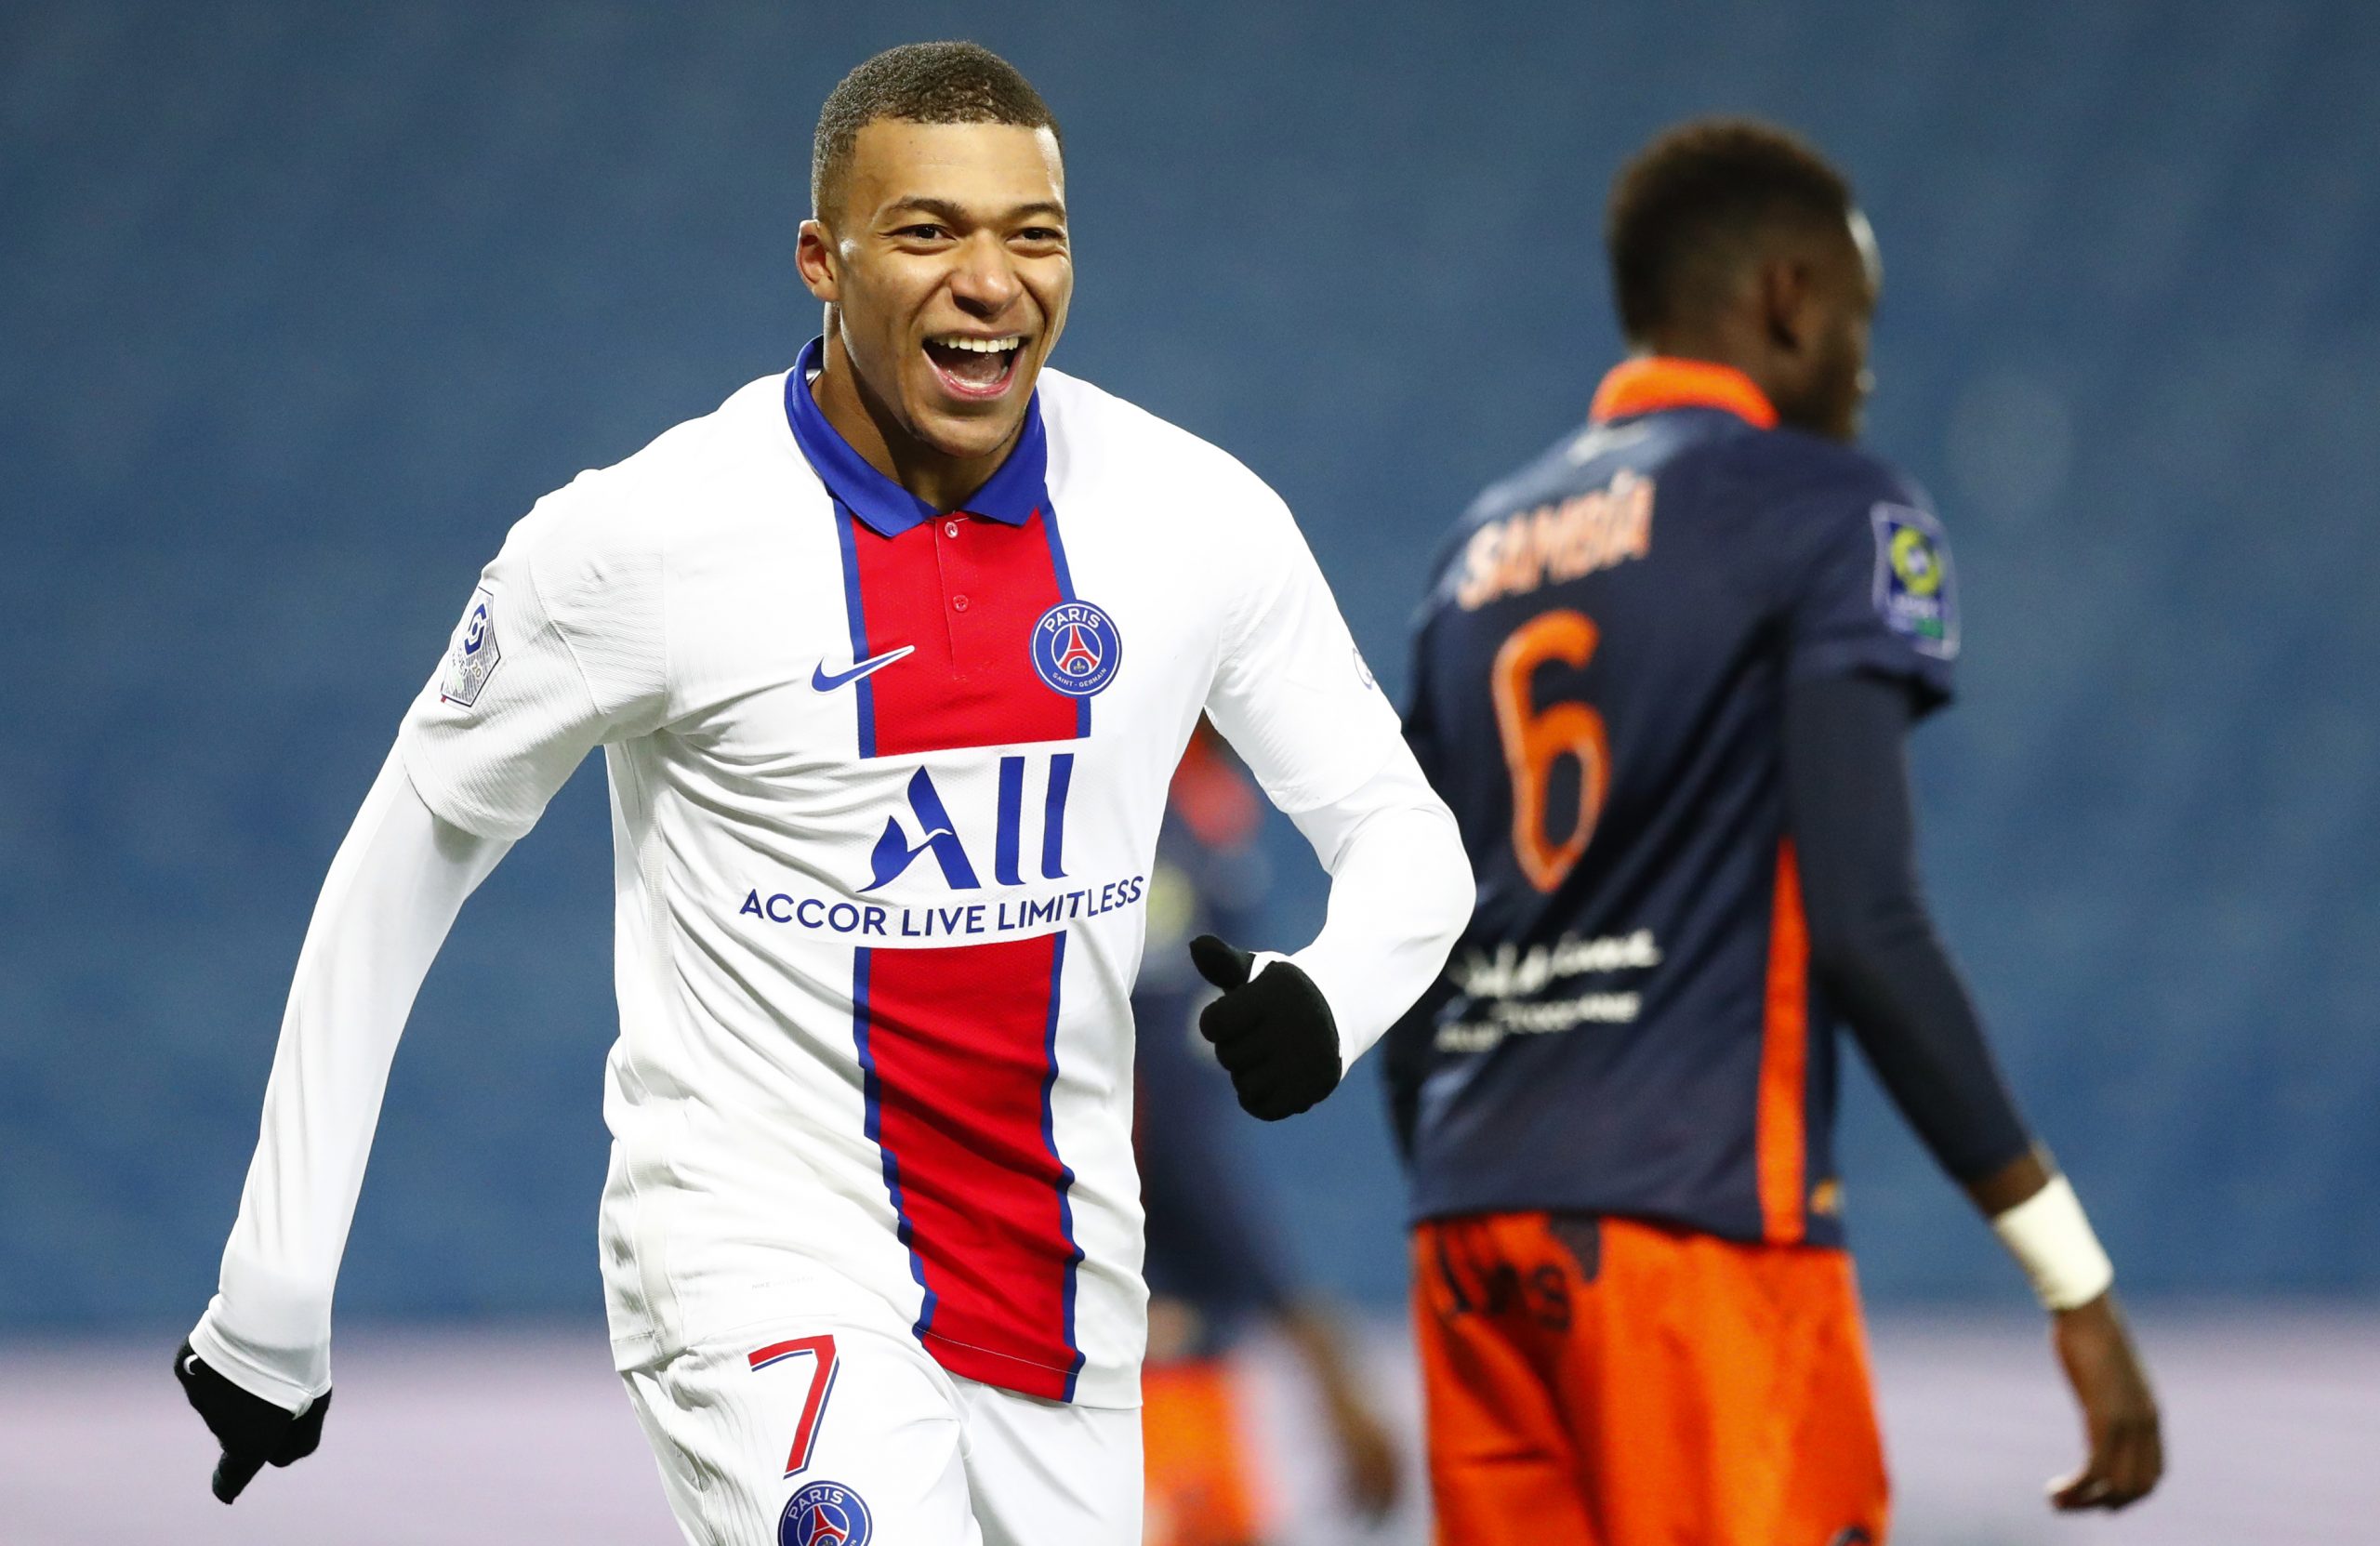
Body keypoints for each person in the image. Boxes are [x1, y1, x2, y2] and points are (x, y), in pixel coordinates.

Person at [172, 41, 1471, 1546]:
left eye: (1030, 235)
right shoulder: (644, 544)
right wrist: (273, 1291)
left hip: (1061, 1293)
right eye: (927, 231)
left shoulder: (1194, 519)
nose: (989, 279)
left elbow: (1405, 839)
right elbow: (411, 850)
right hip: (757, 1251)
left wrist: (1332, 991)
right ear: (820, 259)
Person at [1385, 118, 2162, 1545]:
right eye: (1860, 317)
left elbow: (1406, 921)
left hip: (1476, 1233)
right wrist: (2074, 1276)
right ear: (1794, 295)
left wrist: (1460, 1168)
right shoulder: (1828, 506)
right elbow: (1868, 920)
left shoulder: (1473, 549)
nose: (1865, 363)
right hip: (1699, 1233)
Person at [1133, 723, 1401, 1546]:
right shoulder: (1137, 803)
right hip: (1125, 1313)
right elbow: (1154, 1110)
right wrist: (1314, 1344)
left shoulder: (1199, 796)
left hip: (1178, 1311)